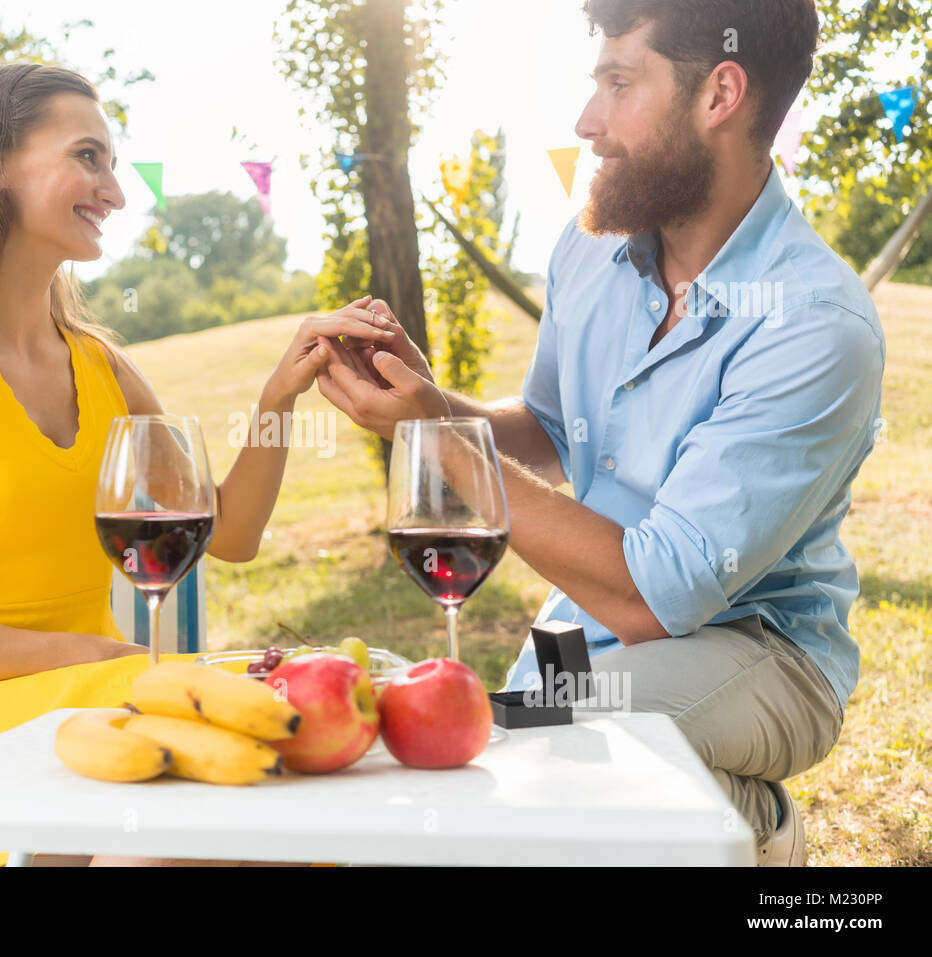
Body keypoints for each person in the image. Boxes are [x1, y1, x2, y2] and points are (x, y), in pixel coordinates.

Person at [0, 62, 394, 867]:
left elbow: (231, 532)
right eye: (89, 157)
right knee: (208, 818)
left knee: (262, 806)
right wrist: (97, 657)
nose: (116, 191)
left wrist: (279, 394)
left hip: (98, 710)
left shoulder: (100, 364)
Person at [315, 0, 883, 866]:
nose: (588, 124)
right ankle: (710, 804)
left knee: (581, 741)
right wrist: (433, 406)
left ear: (720, 93)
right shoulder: (593, 251)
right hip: (590, 631)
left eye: (619, 84)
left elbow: (656, 594)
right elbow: (545, 427)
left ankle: (756, 828)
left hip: (761, 651)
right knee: (502, 755)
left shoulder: (813, 322)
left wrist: (441, 443)